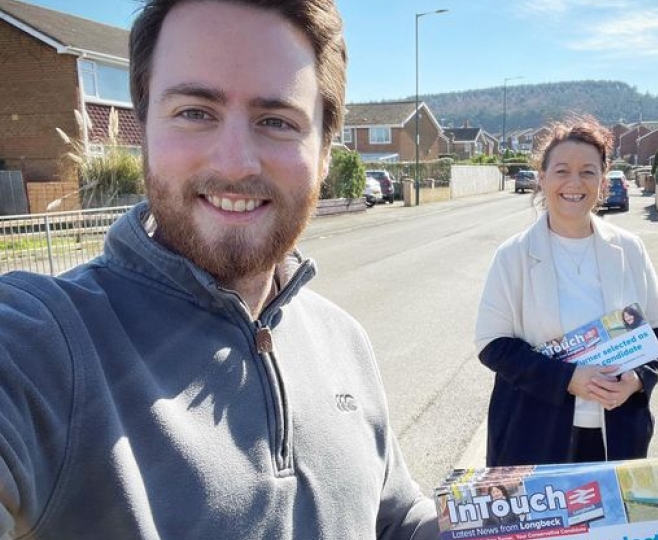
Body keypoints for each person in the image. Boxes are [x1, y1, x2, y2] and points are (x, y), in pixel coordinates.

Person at [0, 1, 437, 538]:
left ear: (325, 151)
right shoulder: (43, 341)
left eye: (276, 121)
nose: (234, 163)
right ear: (144, 129)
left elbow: (392, 517)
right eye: (194, 112)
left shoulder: (345, 340)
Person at [474, 117, 658, 467]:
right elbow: (493, 346)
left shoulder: (629, 248)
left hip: (618, 435)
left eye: (588, 172)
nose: (574, 183)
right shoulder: (513, 255)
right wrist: (568, 379)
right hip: (533, 437)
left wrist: (636, 381)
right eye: (562, 170)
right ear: (543, 178)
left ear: (603, 180)